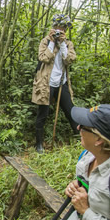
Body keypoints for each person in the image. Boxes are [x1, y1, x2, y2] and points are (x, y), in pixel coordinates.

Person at [32, 14, 78, 154]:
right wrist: (52, 42)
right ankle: (38, 144)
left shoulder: (68, 43)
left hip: (61, 82)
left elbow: (70, 60)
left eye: (63, 28)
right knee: (43, 114)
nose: (60, 30)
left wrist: (63, 44)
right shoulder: (45, 41)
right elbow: (43, 58)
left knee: (71, 111)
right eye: (58, 27)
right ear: (53, 28)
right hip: (46, 83)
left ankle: (78, 139)